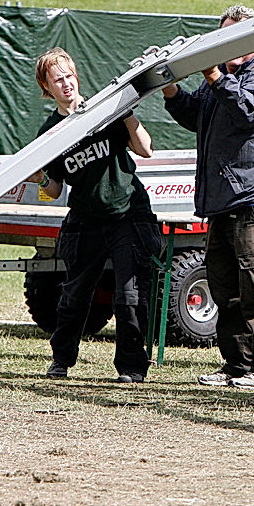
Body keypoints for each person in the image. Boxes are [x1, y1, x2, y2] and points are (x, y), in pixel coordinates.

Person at [163, 4, 254, 392]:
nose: (224, 48)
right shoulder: (223, 79)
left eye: (233, 39)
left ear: (253, 39)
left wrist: (216, 75)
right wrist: (169, 88)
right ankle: (237, 365)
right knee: (225, 287)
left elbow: (250, 109)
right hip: (224, 199)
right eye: (221, 39)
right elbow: (197, 115)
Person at [32, 47, 159, 383]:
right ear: (47, 88)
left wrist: (126, 113)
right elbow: (54, 190)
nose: (66, 84)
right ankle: (61, 361)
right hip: (86, 219)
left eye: (69, 76)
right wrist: (40, 178)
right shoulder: (50, 133)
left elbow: (145, 149)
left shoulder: (105, 108)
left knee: (129, 296)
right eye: (57, 80)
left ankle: (132, 368)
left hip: (128, 214)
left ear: (77, 76)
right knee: (73, 296)